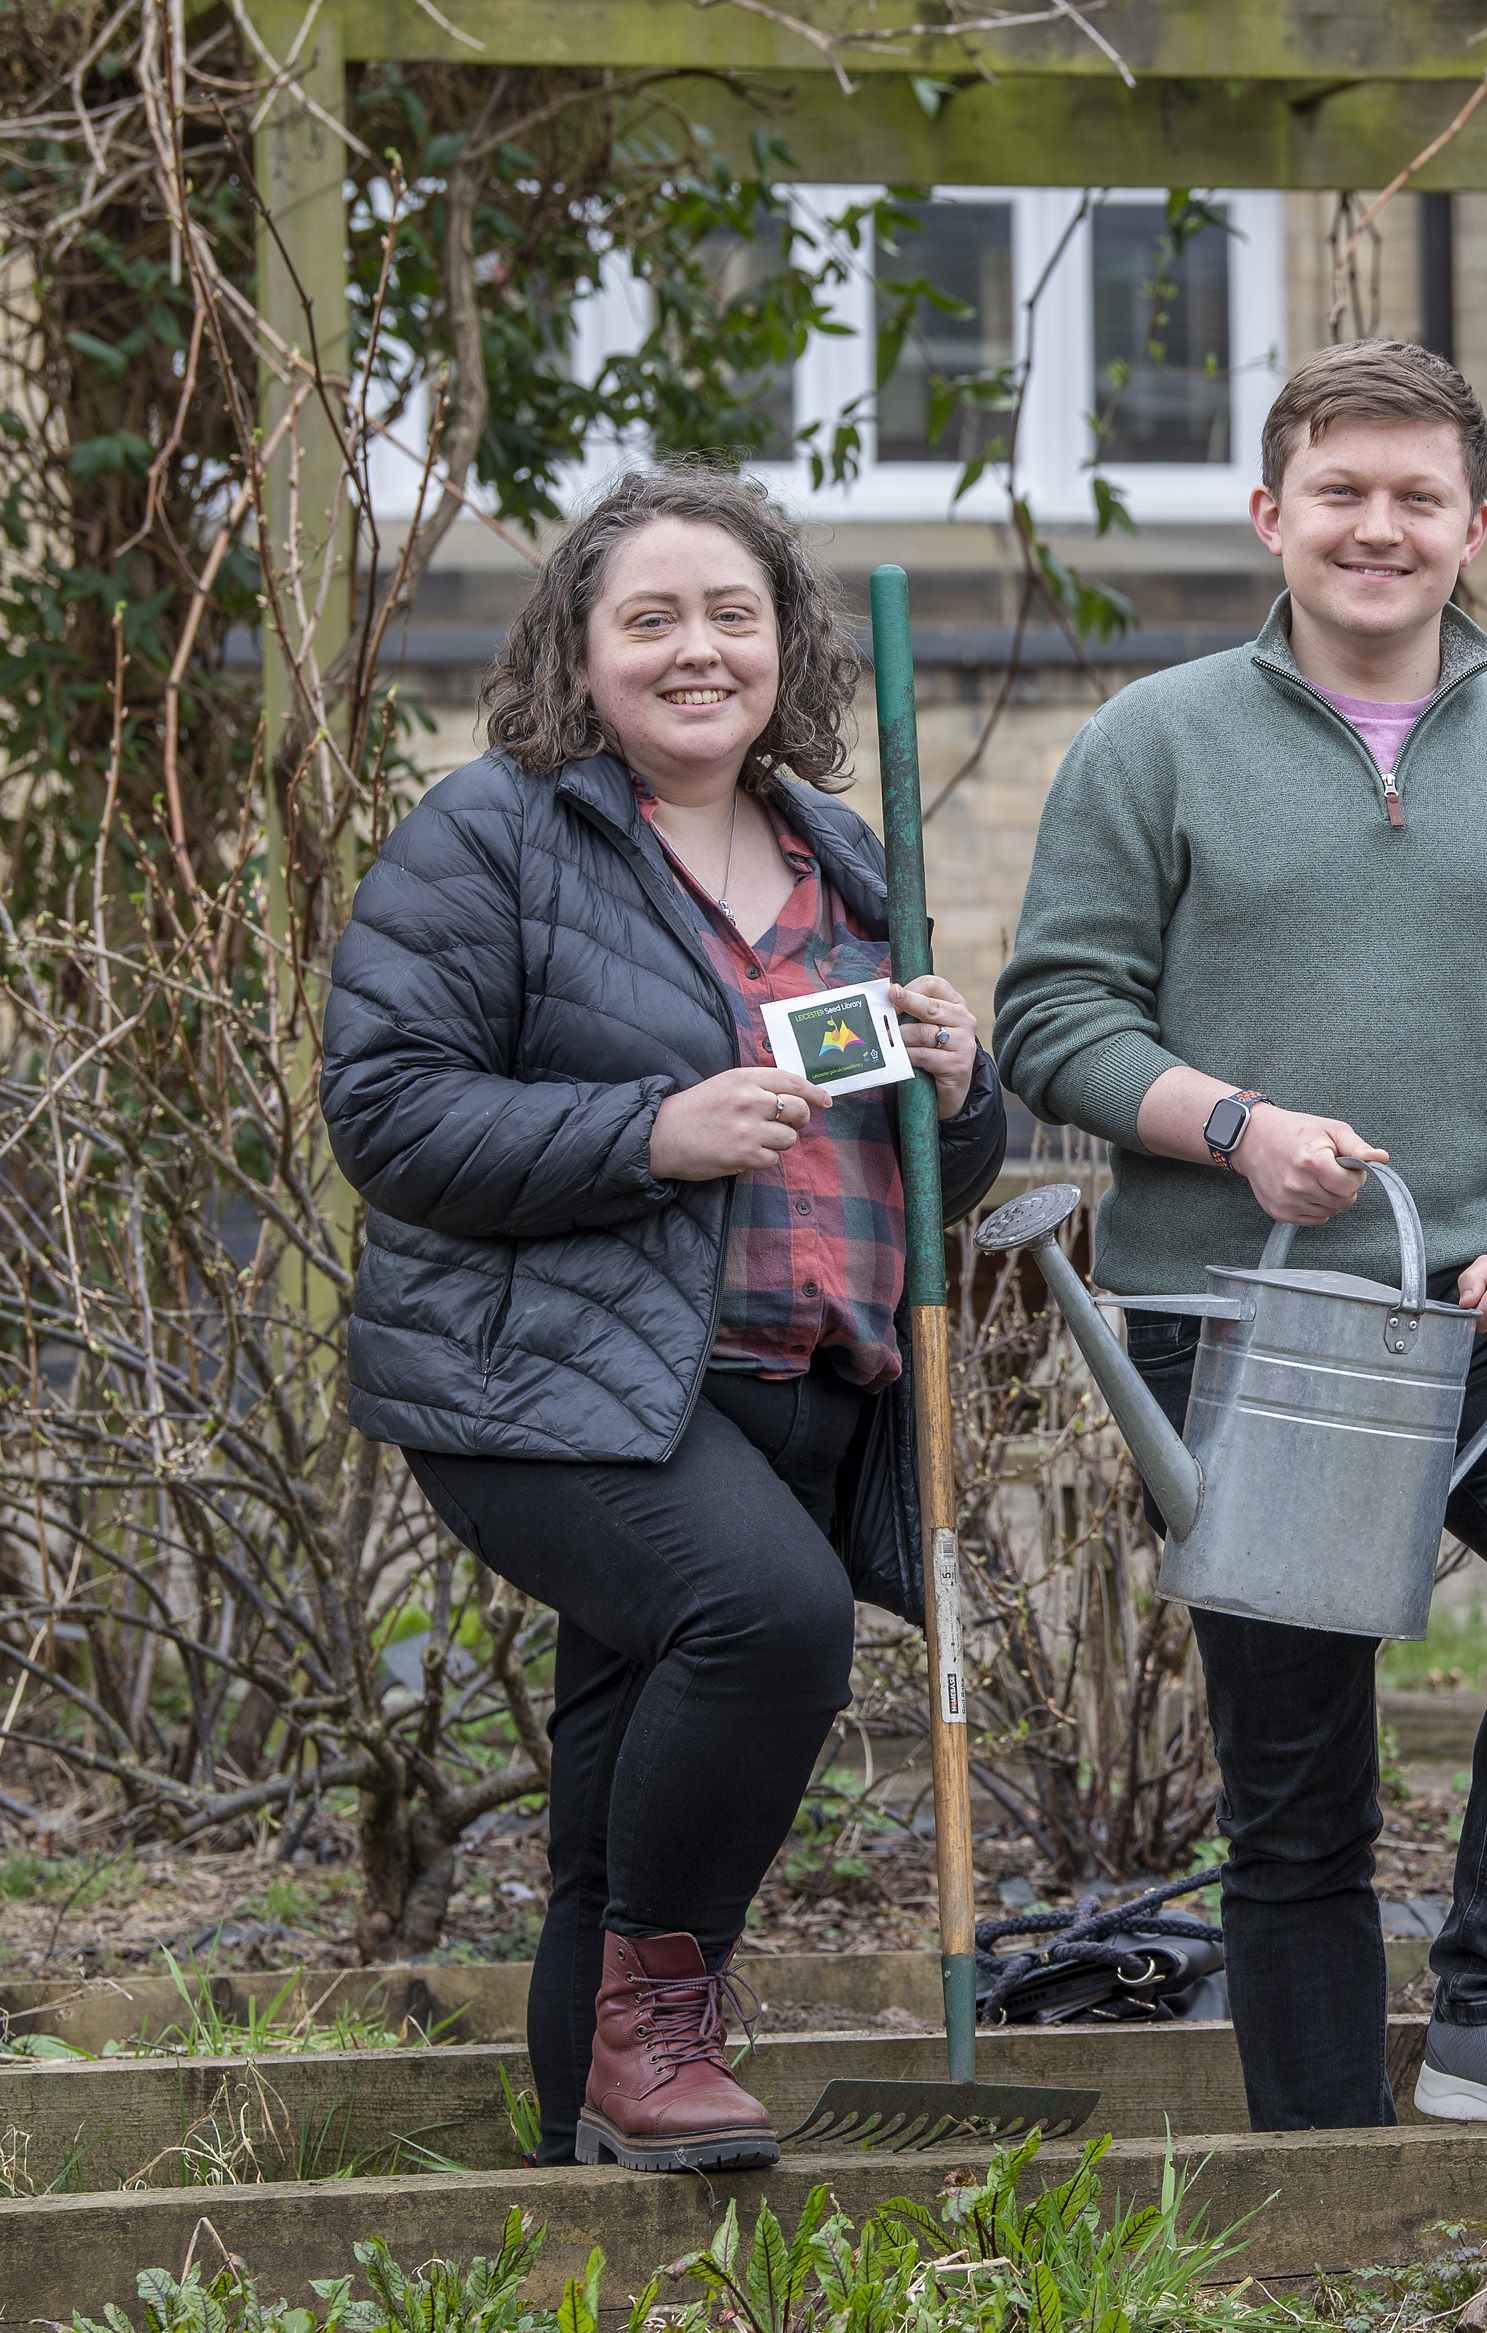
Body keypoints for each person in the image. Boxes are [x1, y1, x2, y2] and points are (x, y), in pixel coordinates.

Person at [991, 339, 1487, 2138]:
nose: (1379, 528)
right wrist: (1234, 1125)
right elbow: (1052, 1016)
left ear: (1475, 527)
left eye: (1417, 498)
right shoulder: (1155, 741)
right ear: (1270, 513)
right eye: (1342, 493)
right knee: (1296, 1775)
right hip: (1239, 1311)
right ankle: (1321, 2165)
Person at [321, 464, 1009, 2172]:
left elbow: (927, 1170)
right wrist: (650, 1131)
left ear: (787, 645)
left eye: (731, 615)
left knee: (616, 1804)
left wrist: (964, 1086)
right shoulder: (494, 833)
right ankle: (660, 2038)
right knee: (767, 1619)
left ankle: (588, 2160)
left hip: (805, 1387)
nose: (697, 650)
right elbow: (387, 1113)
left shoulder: (844, 858)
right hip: (555, 1381)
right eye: (651, 619)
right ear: (580, 649)